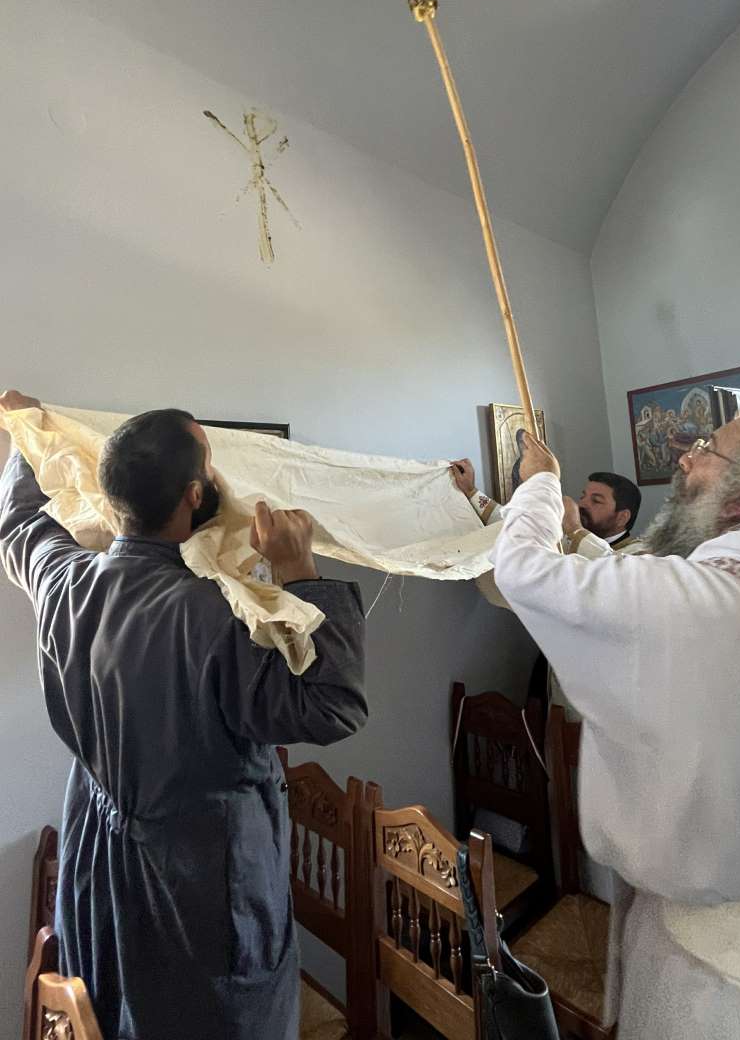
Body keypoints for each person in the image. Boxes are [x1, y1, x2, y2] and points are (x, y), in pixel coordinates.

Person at [490, 411, 740, 1040]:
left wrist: (541, 482)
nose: (685, 458)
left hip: (720, 971)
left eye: (708, 449)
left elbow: (523, 569)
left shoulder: (689, 599)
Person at [0, 390, 367, 1040]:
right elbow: (331, 705)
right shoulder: (215, 617)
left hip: (98, 857)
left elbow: (19, 525)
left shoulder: (65, 582)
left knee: (111, 1007)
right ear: (196, 496)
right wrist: (300, 571)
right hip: (200, 881)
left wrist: (27, 436)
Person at [450, 459, 642, 553]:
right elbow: (513, 524)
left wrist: (575, 528)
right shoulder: (566, 535)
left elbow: (609, 572)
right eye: (583, 496)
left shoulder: (639, 554)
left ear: (622, 517)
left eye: (596, 501)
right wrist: (471, 491)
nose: (582, 504)